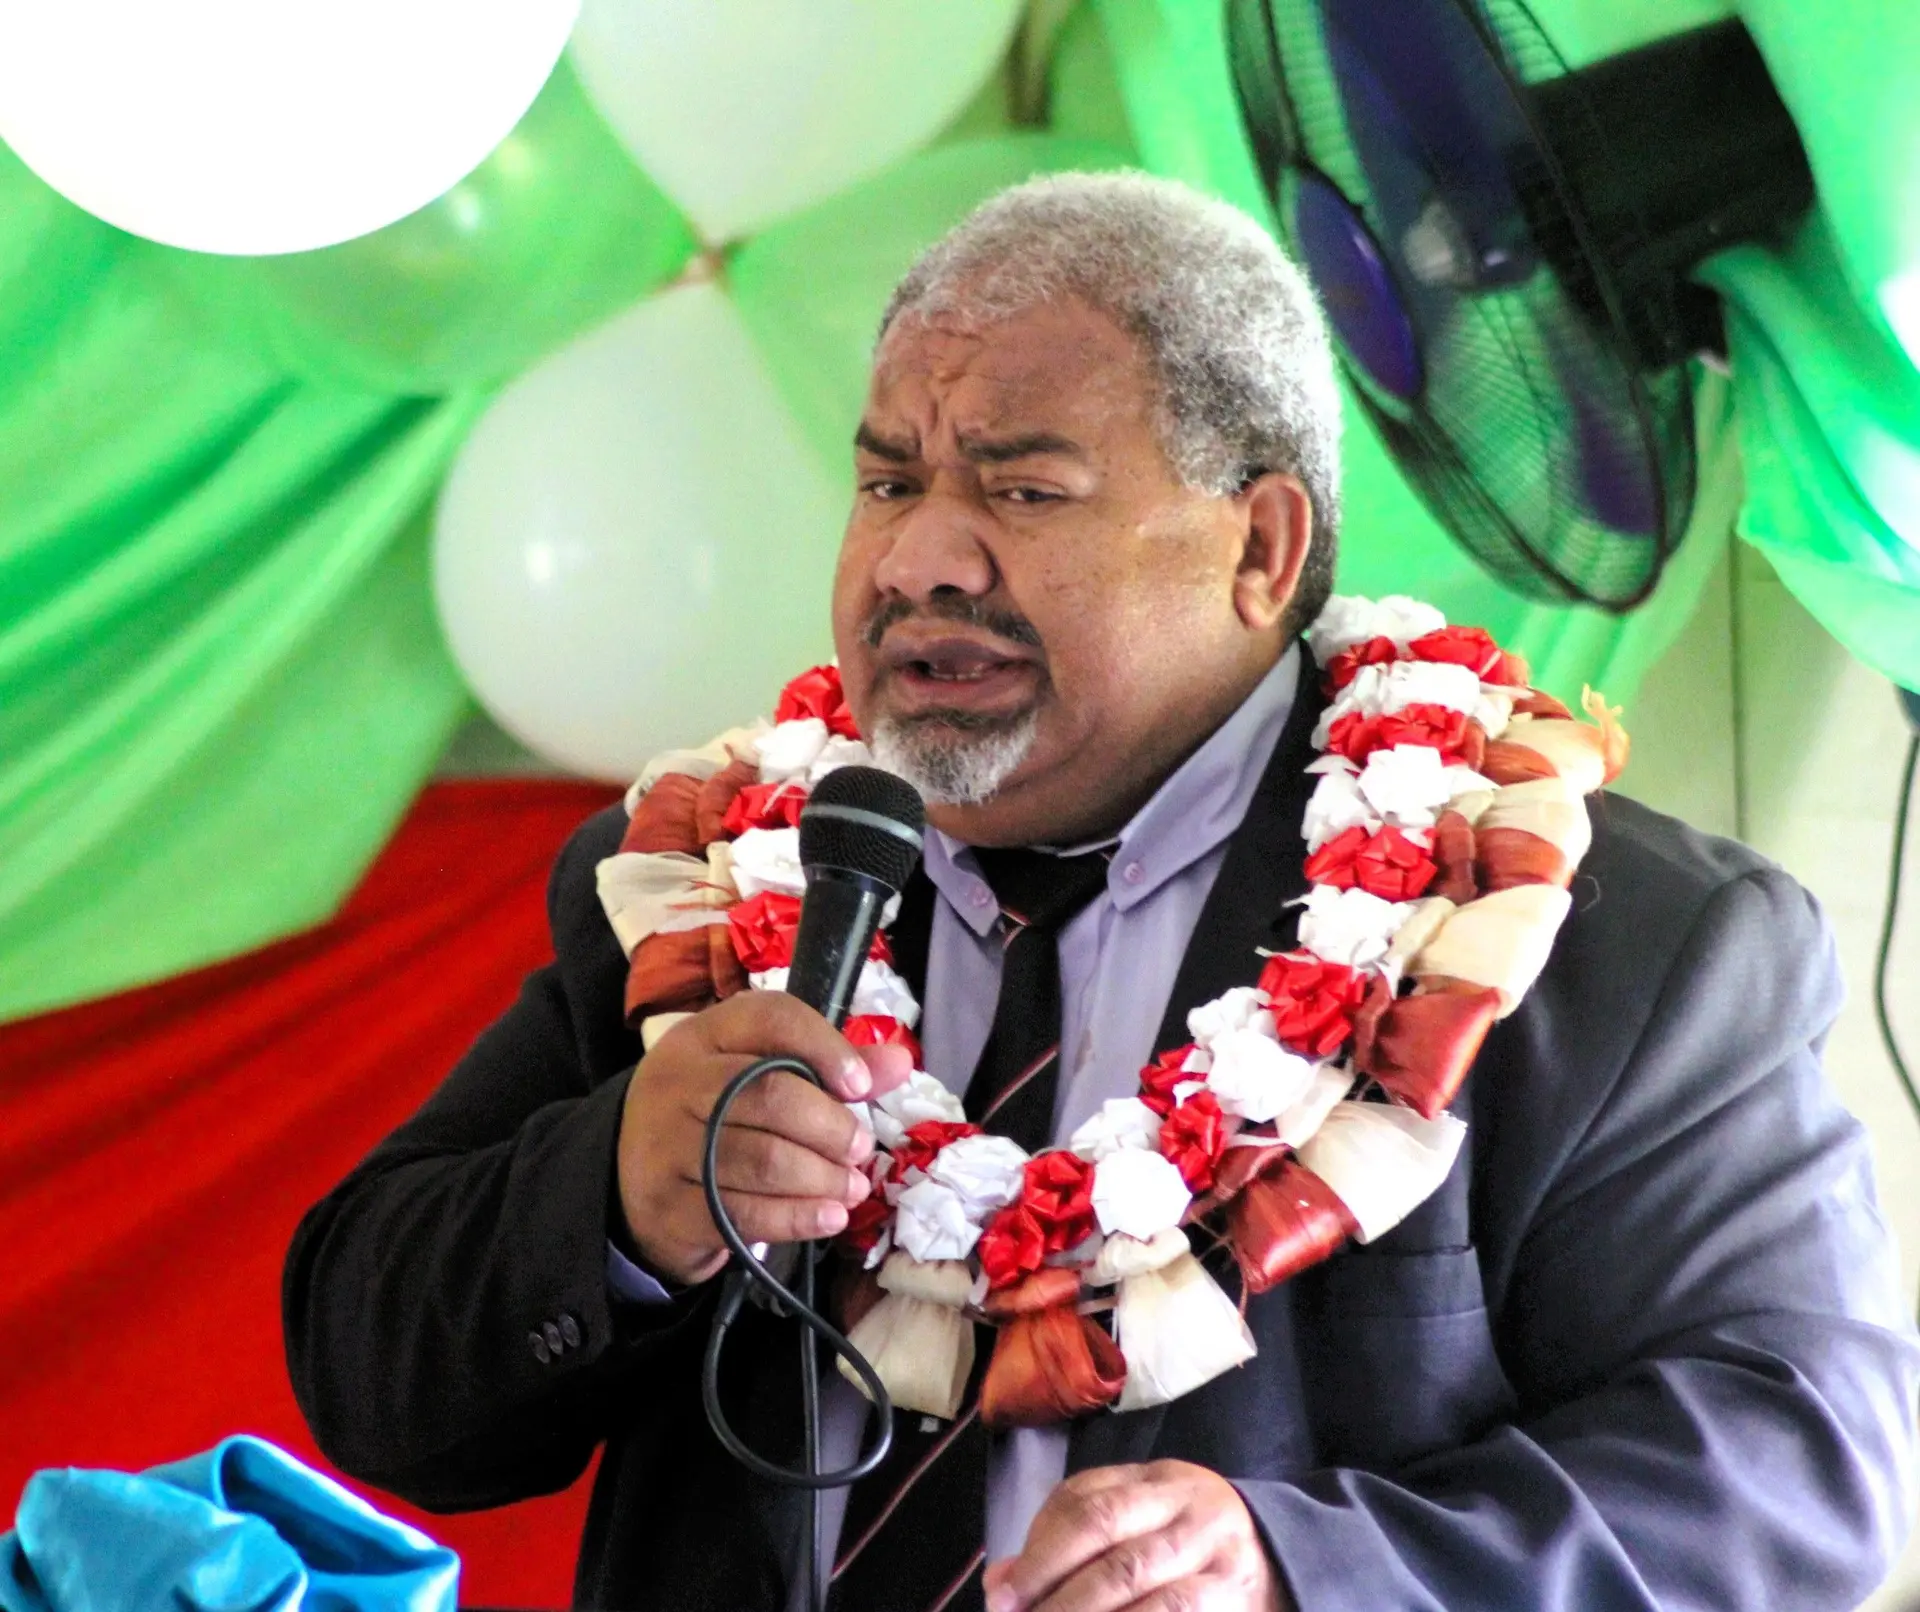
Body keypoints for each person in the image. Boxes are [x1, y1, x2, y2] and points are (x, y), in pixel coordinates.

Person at [284, 173, 1920, 1612]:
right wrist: (621, 1205)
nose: (921, 557)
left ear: (1261, 550)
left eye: (1020, 489)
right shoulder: (713, 895)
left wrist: (1305, 1573)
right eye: (885, 483)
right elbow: (369, 1369)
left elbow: (1794, 1469)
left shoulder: (1594, 942)